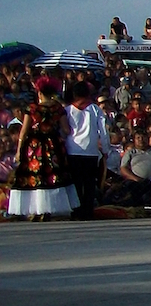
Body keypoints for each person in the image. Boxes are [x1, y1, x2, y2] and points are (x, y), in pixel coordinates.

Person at [8, 76, 79, 220]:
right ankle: (49, 209)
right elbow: (66, 130)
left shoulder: (32, 108)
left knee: (35, 176)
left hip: (35, 146)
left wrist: (19, 150)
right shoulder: (57, 108)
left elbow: (24, 131)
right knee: (53, 176)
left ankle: (36, 209)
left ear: (39, 92)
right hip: (53, 145)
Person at [65, 80, 110, 220]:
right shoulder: (95, 110)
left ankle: (76, 211)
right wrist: (105, 149)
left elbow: (63, 131)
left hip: (72, 150)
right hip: (90, 151)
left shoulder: (67, 110)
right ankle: (88, 211)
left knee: (76, 183)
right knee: (89, 183)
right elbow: (103, 131)